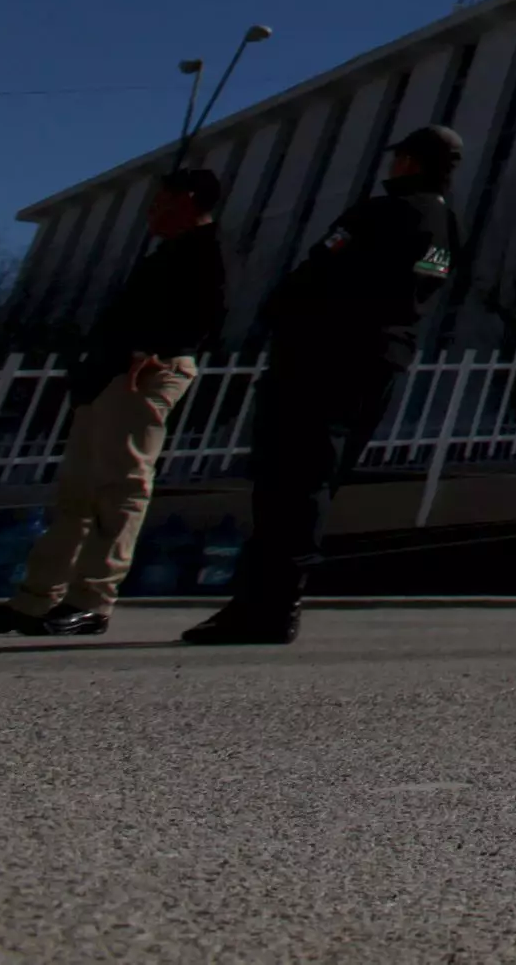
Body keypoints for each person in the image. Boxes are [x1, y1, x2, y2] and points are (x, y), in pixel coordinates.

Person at [184, 125, 459, 646]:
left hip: (324, 355)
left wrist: (281, 314)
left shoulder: (380, 213)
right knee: (316, 478)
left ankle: (267, 604)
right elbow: (423, 285)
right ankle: (273, 598)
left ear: (410, 163)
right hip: (380, 360)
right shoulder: (444, 225)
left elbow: (321, 268)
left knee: (288, 477)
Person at [0, 167, 231, 637]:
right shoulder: (165, 255)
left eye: (158, 202)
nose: (150, 214)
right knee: (77, 492)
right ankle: (36, 597)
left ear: (184, 200)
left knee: (120, 486)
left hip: (146, 371)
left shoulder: (207, 252)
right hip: (110, 372)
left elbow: (206, 316)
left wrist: (154, 351)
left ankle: (93, 598)